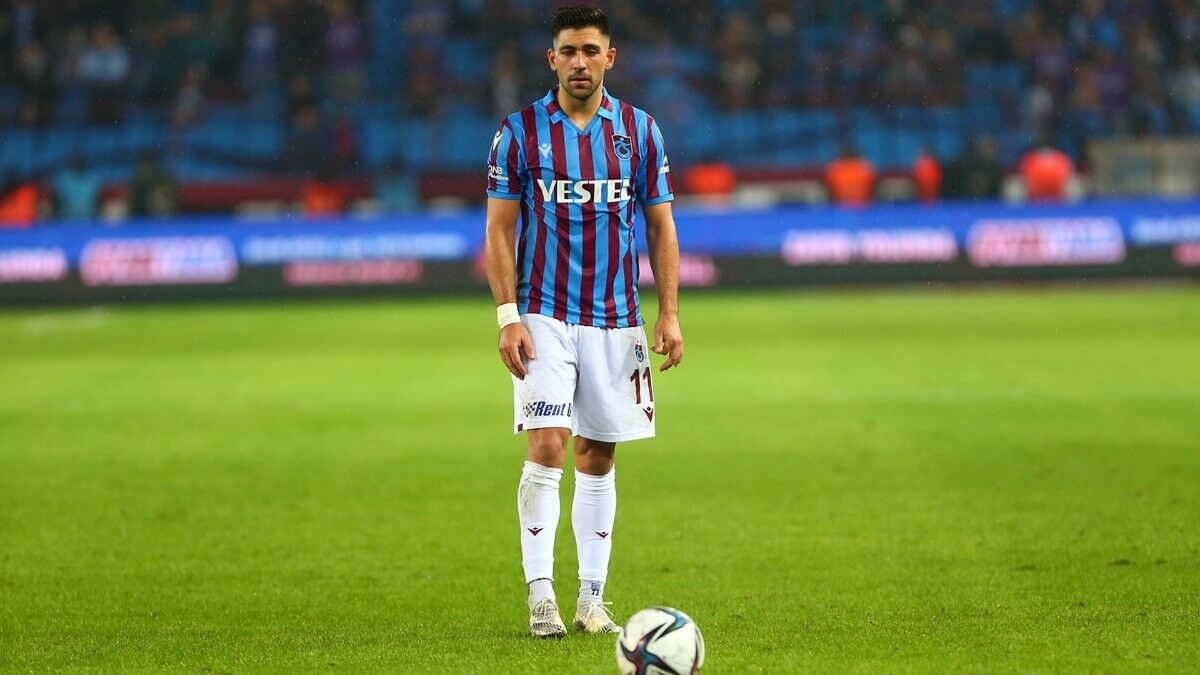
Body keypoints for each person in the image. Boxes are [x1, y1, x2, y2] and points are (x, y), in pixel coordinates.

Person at [483, 5, 683, 640]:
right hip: (542, 312)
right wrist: (508, 316)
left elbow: (660, 225)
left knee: (598, 454)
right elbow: (499, 229)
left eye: (590, 50)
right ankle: (540, 594)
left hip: (617, 319)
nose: (579, 61)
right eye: (568, 50)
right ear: (552, 59)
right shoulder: (518, 133)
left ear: (609, 58)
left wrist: (670, 312)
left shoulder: (640, 131)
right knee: (548, 443)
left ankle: (591, 600)